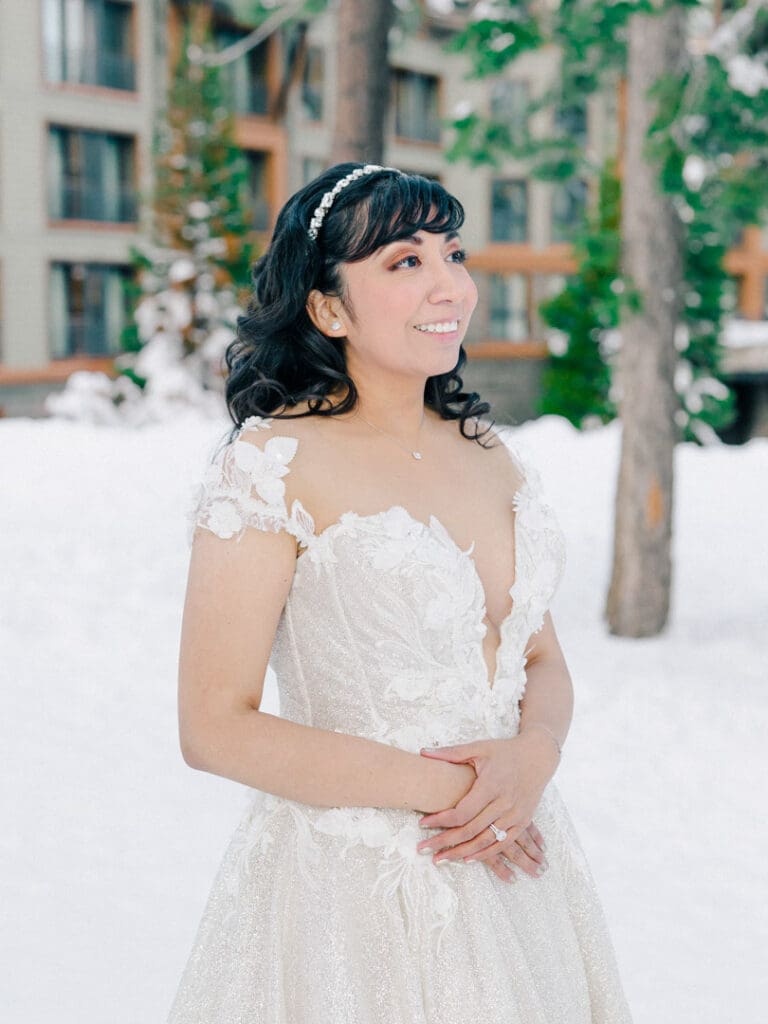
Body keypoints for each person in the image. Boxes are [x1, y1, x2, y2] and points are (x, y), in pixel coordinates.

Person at [168, 162, 633, 1023]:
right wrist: (460, 794)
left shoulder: (488, 452)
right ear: (328, 308)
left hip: (517, 868)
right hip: (353, 894)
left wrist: (535, 758)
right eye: (404, 262)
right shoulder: (270, 466)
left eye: (452, 252)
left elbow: (537, 656)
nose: (449, 284)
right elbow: (212, 726)